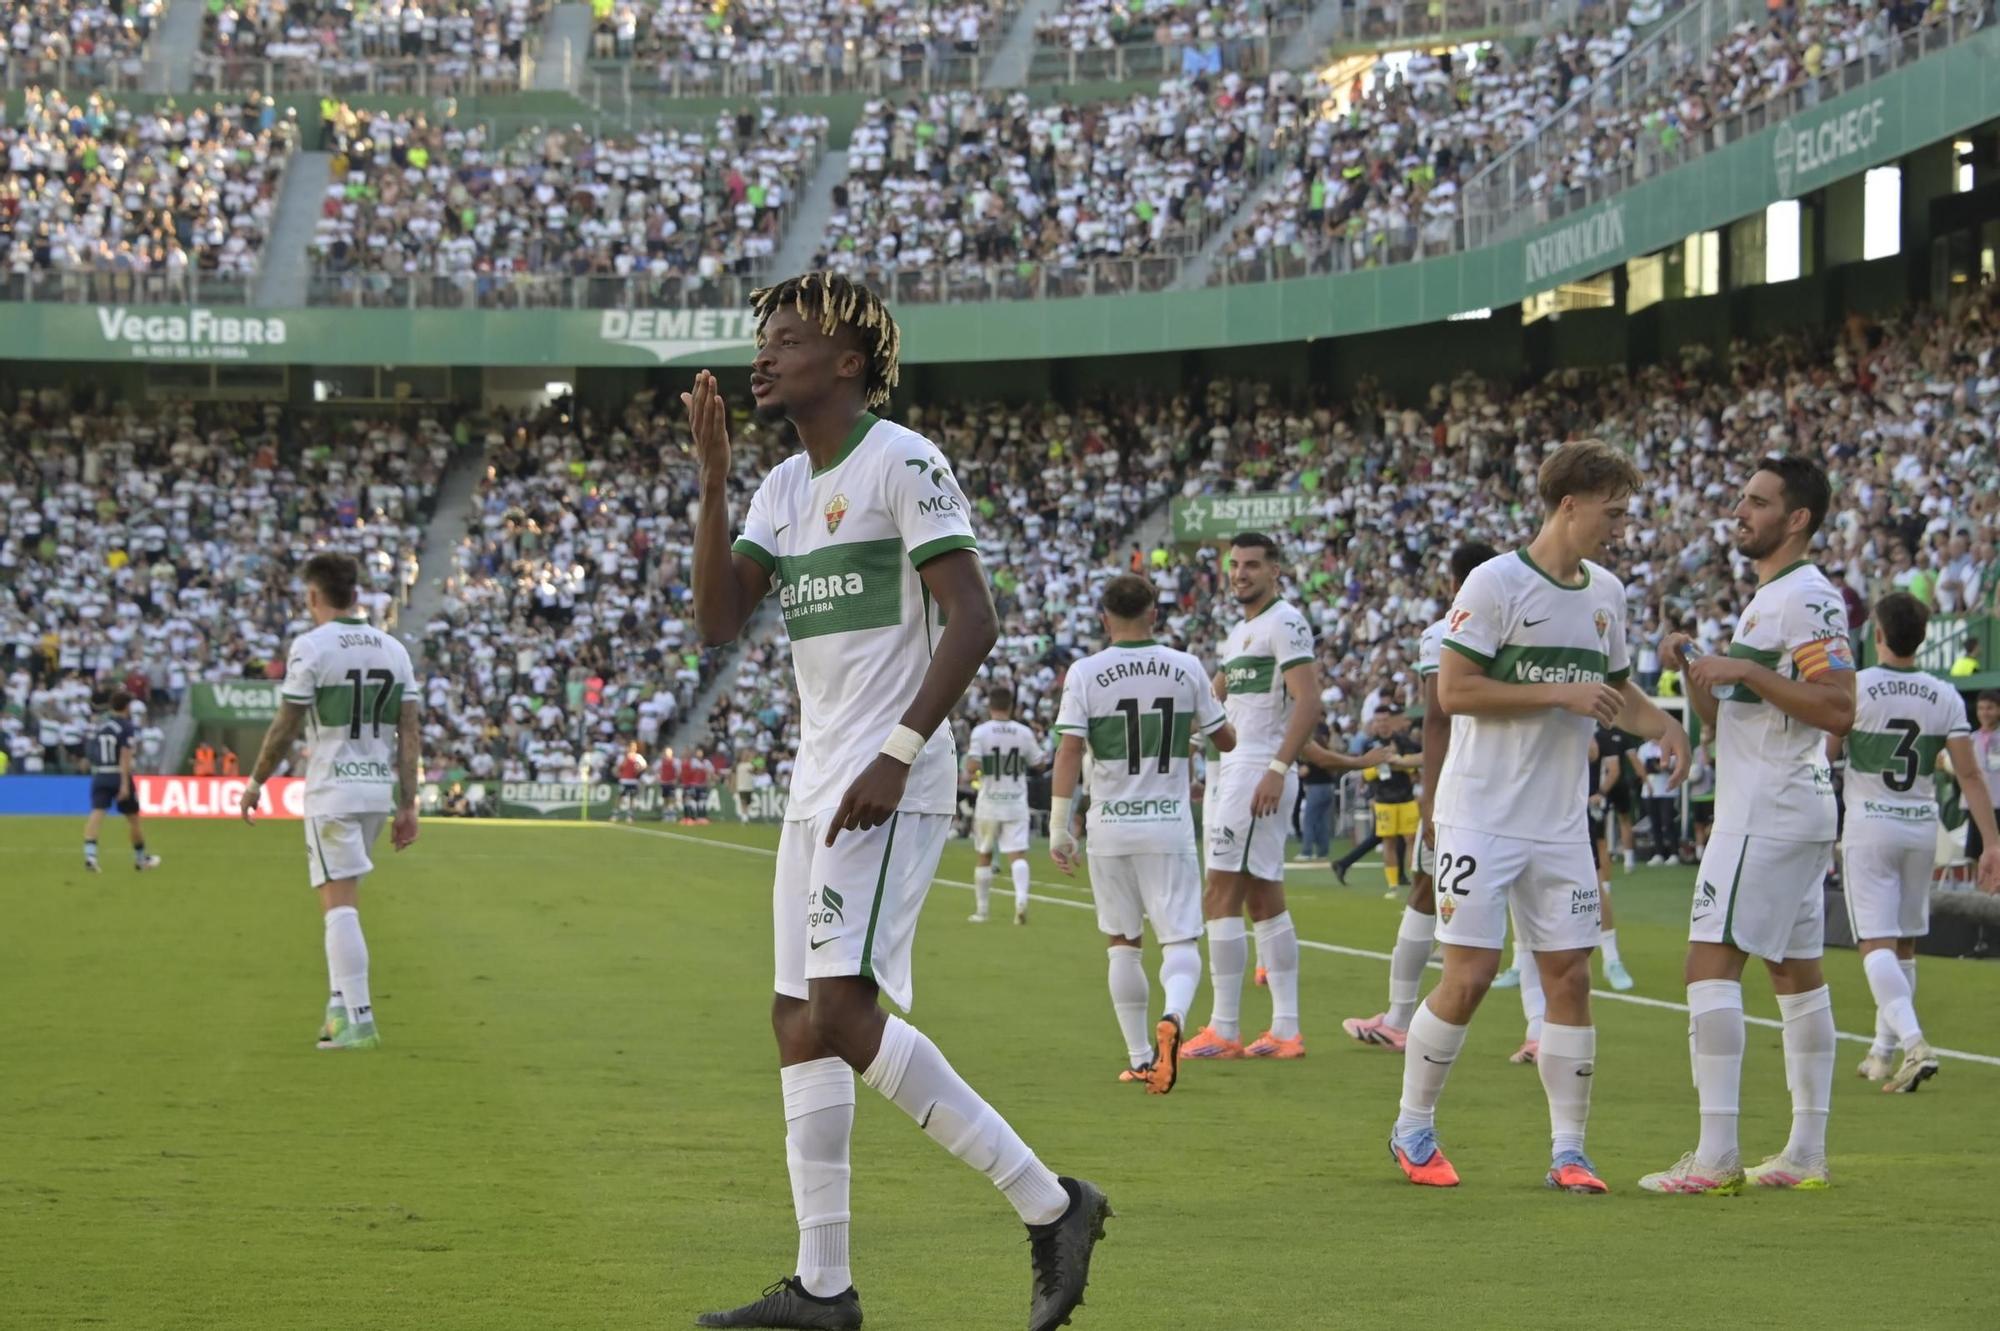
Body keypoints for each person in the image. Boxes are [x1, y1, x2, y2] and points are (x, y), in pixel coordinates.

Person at [685, 273, 1107, 1331]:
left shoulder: (903, 459)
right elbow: (715, 623)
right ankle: (821, 1284)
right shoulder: (783, 486)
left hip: (890, 778)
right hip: (814, 778)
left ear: (846, 359)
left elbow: (973, 617)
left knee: (839, 1010)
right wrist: (712, 482)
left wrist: (899, 750)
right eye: (761, 337)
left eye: (786, 337)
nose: (763, 353)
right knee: (796, 1019)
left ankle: (1051, 1201)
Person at [1389, 440, 1688, 1193]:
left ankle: (1569, 1150)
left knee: (1570, 976)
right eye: (1612, 512)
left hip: (1559, 822)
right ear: (1569, 504)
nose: (1620, 526)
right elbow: (1454, 692)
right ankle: (1413, 1125)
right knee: (1471, 975)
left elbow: (1615, 689)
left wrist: (1668, 728)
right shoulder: (1494, 583)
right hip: (1479, 813)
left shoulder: (1607, 594)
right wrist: (1557, 693)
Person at [1645, 456, 1857, 1195]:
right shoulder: (1770, 597)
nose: (1741, 510)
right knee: (1794, 974)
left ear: (1796, 519)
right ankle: (1805, 1151)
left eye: (1757, 501)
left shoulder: (1808, 595)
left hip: (1766, 807)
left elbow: (1837, 707)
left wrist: (1745, 670)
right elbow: (1733, 714)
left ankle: (1716, 1156)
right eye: (1741, 497)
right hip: (1778, 801)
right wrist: (1701, 666)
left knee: (1708, 964)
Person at [1047, 573, 1235, 1091]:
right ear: (1155, 612)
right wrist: (1194, 729)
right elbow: (1227, 739)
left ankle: (1140, 1056)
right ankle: (1174, 1015)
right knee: (1179, 937)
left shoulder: (1086, 672)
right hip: (1167, 824)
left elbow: (1068, 750)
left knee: (1122, 942)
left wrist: (1059, 827)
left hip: (1110, 825)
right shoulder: (1187, 667)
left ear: (1105, 618)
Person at [237, 552, 420, 1053]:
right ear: (355, 594)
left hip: (332, 791)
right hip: (374, 792)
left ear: (313, 596)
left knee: (338, 908)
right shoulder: (393, 649)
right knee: (344, 898)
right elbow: (409, 731)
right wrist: (409, 804)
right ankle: (337, 1012)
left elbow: (286, 724)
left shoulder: (312, 646)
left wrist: (256, 783)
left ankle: (359, 1018)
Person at [1836, 594, 2000, 1092]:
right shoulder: (1945, 694)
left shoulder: (1856, 687)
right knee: (1904, 943)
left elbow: (1822, 753)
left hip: (1870, 825)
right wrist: (1991, 842)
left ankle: (1913, 1044)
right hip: (1919, 827)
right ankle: (1882, 1053)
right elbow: (1969, 774)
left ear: (1878, 635)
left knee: (1874, 943)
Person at [1344, 540, 1497, 1051]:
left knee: (1423, 890)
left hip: (1462, 788)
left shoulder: (1443, 633)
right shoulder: (1519, 630)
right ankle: (1542, 1031)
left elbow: (1437, 718)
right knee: (1531, 906)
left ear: (1452, 580)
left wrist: (1430, 797)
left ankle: (1398, 1017)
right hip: (1516, 784)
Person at [1182, 531, 1325, 1061]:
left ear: (1275, 572)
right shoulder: (1243, 631)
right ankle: (1285, 1030)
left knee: (1220, 893)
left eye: (1252, 565)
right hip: (1236, 768)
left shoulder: (1284, 622)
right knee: (1264, 898)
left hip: (1255, 770)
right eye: (1235, 565)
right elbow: (1217, 702)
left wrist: (1277, 768)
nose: (1240, 573)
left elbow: (1309, 701)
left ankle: (1224, 1027)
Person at [965, 685, 1044, 925]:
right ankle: (1020, 901)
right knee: (1017, 854)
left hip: (989, 802)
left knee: (985, 855)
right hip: (1015, 801)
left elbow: (971, 767)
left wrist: (979, 769)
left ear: (990, 706)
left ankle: (982, 911)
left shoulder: (981, 732)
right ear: (1011, 706)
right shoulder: (1023, 732)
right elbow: (1039, 763)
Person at [83, 691, 159, 873]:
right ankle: (141, 859)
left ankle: (90, 856)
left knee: (96, 814)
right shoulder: (126, 726)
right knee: (133, 819)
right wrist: (124, 783)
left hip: (100, 773)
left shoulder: (101, 726)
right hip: (118, 775)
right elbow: (125, 755)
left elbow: (91, 751)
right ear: (127, 706)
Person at [1968, 691, 2000, 863]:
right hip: (1977, 803)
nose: (1984, 713)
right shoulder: (1970, 739)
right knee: (1976, 851)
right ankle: (1979, 887)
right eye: (1981, 708)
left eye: (1990, 708)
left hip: (1998, 801)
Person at [615, 742, 646, 823]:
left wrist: (639, 769)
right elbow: (618, 768)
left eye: (634, 747)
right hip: (624, 780)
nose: (633, 748)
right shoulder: (622, 757)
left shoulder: (638, 757)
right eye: (631, 747)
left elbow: (644, 766)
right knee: (620, 797)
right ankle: (615, 813)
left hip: (633, 780)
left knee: (632, 798)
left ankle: (630, 815)